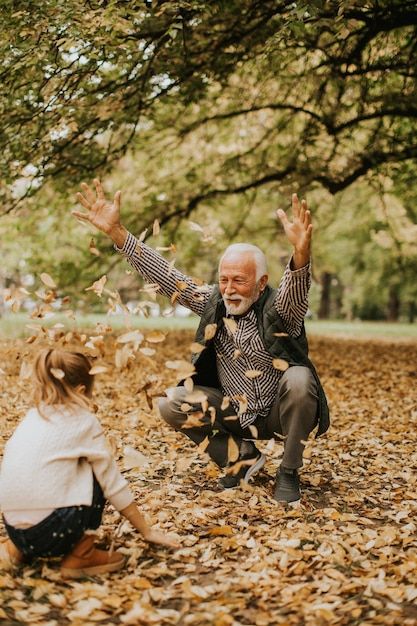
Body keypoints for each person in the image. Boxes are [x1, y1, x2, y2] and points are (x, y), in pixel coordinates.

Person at [73, 180, 329, 505]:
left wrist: (301, 254)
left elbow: (296, 290)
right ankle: (241, 458)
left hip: (279, 413)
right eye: (224, 279)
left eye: (240, 280)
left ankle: (289, 470)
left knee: (300, 378)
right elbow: (167, 277)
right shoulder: (213, 301)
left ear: (262, 283)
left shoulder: (281, 308)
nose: (230, 288)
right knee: (171, 402)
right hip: (233, 410)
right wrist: (118, 233)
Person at [0, 348, 179, 577]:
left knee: (41, 470)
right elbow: (112, 482)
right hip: (55, 530)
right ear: (81, 390)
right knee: (95, 471)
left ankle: (17, 551)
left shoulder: (31, 418)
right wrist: (145, 531)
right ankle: (81, 556)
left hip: (14, 528)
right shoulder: (83, 421)